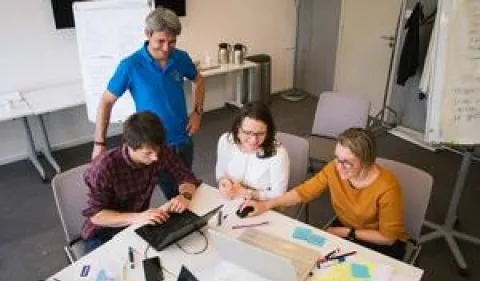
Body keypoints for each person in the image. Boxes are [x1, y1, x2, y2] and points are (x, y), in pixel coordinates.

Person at [91, 7, 205, 200]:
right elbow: (105, 102)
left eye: (171, 42)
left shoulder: (180, 57)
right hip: (153, 147)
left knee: (186, 188)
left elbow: (199, 81)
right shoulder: (130, 66)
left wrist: (197, 113)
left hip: (183, 139)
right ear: (147, 34)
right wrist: (99, 142)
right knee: (170, 194)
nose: (166, 48)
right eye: (160, 41)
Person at [244, 128, 409, 260]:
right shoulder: (334, 168)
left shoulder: (387, 187)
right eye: (337, 158)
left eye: (348, 162)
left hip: (380, 242)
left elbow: (388, 238)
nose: (339, 166)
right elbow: (303, 192)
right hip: (347, 229)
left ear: (367, 162)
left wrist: (345, 232)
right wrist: (266, 205)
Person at [82, 112, 200, 253]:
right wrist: (138, 217)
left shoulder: (159, 151)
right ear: (130, 146)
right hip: (102, 233)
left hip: (138, 224)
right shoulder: (104, 167)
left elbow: (186, 176)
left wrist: (185, 195)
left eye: (156, 150)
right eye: (148, 153)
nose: (156, 157)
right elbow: (96, 216)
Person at [215, 103, 289, 200]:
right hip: (232, 198)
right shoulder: (226, 140)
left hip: (263, 203)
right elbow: (220, 171)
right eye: (247, 132)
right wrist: (223, 181)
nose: (254, 140)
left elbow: (279, 194)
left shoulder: (278, 154)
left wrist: (249, 194)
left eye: (260, 133)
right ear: (238, 130)